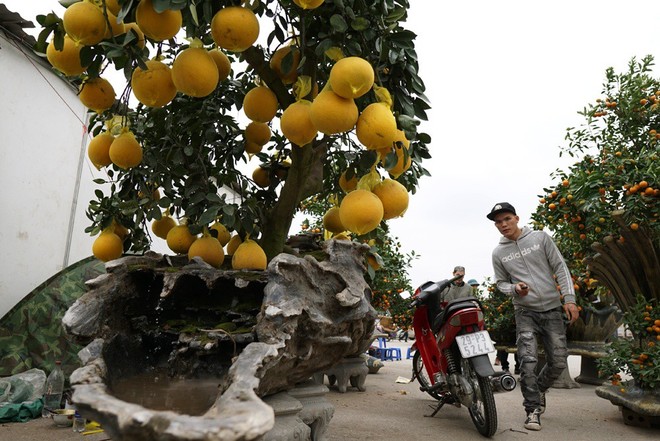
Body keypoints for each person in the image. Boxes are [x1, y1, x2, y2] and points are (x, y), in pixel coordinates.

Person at [487, 202, 579, 432]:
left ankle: (538, 390)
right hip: (525, 311)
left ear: (517, 218)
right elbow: (500, 283)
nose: (503, 224)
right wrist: (514, 289)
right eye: (498, 222)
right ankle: (532, 410)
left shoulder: (540, 238)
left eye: (506, 219)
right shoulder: (499, 253)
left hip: (552, 308)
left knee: (558, 361)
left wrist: (569, 299)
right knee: (527, 362)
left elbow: (560, 267)